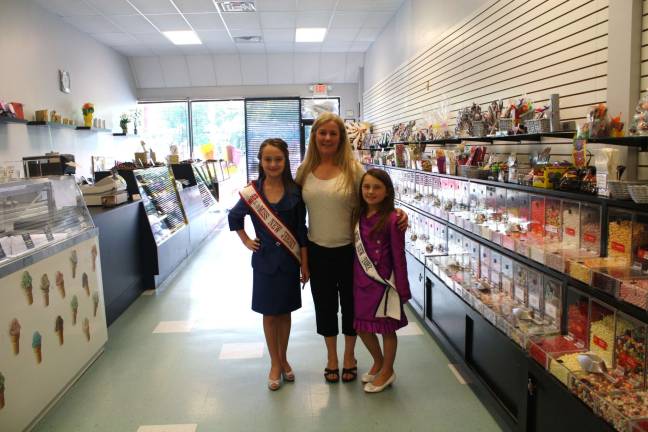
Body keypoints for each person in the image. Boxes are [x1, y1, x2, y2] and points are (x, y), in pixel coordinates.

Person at [296, 113, 408, 384]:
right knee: (324, 306)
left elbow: (376, 197)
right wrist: (303, 259)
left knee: (351, 307)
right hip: (318, 249)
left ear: (341, 138)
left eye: (333, 133)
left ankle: (350, 356)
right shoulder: (303, 171)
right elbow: (295, 216)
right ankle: (331, 357)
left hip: (352, 251)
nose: (327, 138)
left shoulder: (354, 170)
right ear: (314, 137)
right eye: (322, 133)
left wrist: (399, 213)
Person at [228, 138, 309, 391]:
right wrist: (246, 241)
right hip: (264, 263)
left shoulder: (296, 192)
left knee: (284, 314)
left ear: (286, 161)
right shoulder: (253, 192)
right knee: (269, 315)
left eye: (278, 159)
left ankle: (284, 359)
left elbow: (301, 230)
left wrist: (305, 265)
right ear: (260, 162)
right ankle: (275, 363)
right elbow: (234, 216)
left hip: (289, 262)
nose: (273, 164)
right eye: (268, 159)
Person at [352, 168, 411, 393]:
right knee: (361, 326)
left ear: (387, 191)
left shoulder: (394, 219)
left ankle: (388, 370)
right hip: (361, 281)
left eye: (377, 187)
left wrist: (402, 289)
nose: (370, 191)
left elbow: (399, 254)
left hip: (384, 284)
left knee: (387, 329)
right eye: (366, 186)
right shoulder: (357, 215)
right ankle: (378, 361)